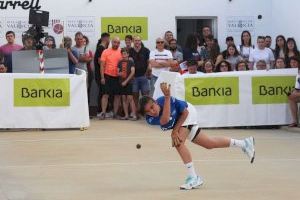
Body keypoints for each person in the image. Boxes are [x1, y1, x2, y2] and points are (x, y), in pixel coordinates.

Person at [139, 83, 255, 190]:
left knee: (178, 142)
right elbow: (164, 120)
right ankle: (244, 143)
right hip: (181, 122)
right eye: (148, 111)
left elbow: (185, 113)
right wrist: (168, 98)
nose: (152, 112)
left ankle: (194, 177)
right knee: (209, 144)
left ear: (155, 101)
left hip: (188, 112)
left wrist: (168, 99)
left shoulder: (165, 100)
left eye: (152, 107)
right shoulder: (151, 119)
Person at [98, 37, 122, 120]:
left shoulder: (121, 52)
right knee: (105, 95)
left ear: (119, 43)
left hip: (118, 77)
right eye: (115, 42)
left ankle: (115, 114)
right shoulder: (105, 51)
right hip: (107, 76)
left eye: (118, 43)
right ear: (112, 42)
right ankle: (103, 113)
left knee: (117, 96)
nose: (116, 44)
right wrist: (102, 77)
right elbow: (102, 65)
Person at [129, 36, 151, 114]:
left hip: (144, 77)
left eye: (138, 40)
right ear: (133, 41)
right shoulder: (130, 51)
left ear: (141, 41)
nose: (137, 42)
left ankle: (147, 112)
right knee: (135, 96)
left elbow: (149, 63)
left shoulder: (146, 50)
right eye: (135, 40)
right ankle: (136, 112)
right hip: (134, 77)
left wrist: (148, 73)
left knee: (146, 96)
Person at [118, 48, 137, 120]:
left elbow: (133, 72)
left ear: (128, 54)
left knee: (130, 98)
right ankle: (126, 115)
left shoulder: (131, 62)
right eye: (122, 53)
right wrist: (119, 74)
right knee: (123, 98)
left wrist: (126, 81)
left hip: (129, 82)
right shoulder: (119, 62)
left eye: (125, 53)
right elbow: (118, 72)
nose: (124, 55)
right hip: (121, 82)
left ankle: (134, 115)